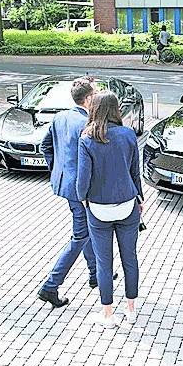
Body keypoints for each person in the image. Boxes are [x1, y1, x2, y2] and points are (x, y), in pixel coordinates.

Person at [37, 76, 114, 308]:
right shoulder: (88, 125)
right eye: (97, 93)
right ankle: (50, 286)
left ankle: (94, 275)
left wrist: (58, 172)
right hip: (83, 191)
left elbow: (45, 146)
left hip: (66, 186)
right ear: (89, 98)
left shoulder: (60, 117)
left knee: (87, 231)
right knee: (80, 236)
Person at [77, 91, 143, 328]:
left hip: (98, 208)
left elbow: (82, 180)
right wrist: (140, 198)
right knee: (130, 259)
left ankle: (108, 315)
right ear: (116, 109)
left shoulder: (87, 139)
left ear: (93, 109)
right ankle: (131, 309)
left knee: (104, 263)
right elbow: (136, 171)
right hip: (127, 206)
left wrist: (83, 199)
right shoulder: (128, 135)